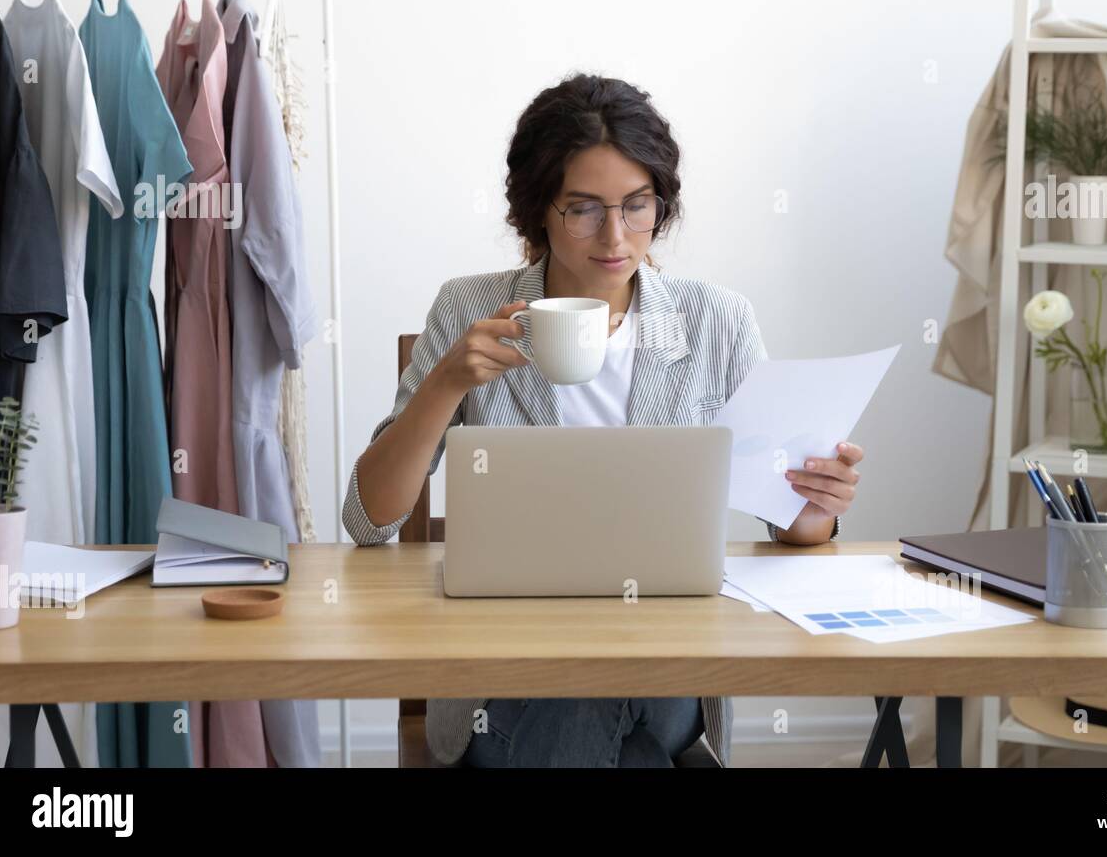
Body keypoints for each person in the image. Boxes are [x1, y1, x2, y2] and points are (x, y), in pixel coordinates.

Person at [342, 73, 863, 767]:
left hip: (671, 661)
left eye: (636, 206)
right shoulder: (469, 309)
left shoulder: (717, 322)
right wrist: (443, 386)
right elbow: (368, 519)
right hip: (506, 669)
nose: (615, 237)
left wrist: (818, 501)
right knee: (621, 734)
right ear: (538, 211)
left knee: (605, 688)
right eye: (583, 209)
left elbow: (791, 522)